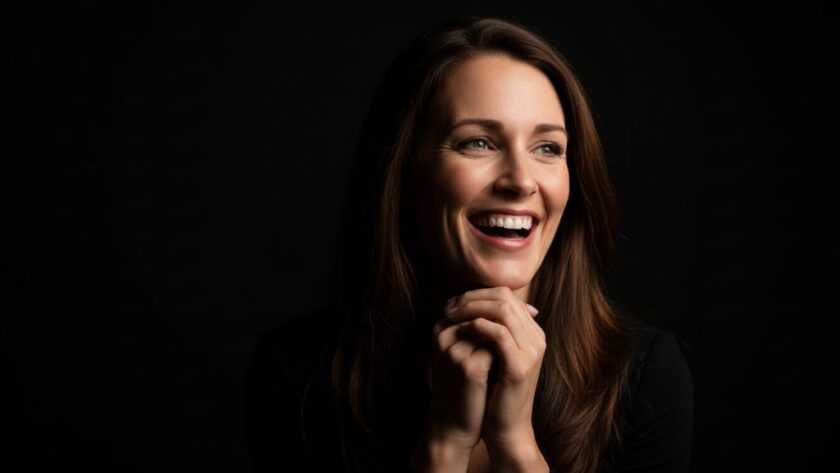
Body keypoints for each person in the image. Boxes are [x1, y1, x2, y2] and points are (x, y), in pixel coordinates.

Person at [244, 16, 694, 473]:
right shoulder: (297, 373)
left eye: (548, 148)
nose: (521, 181)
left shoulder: (644, 375)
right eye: (478, 142)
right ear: (403, 171)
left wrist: (514, 443)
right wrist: (446, 444)